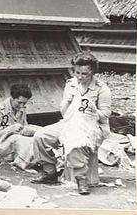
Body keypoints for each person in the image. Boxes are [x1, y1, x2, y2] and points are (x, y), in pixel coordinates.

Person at [31, 52, 111, 195]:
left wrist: (94, 110)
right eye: (77, 72)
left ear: (92, 71)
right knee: (41, 136)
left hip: (93, 125)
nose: (79, 77)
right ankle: (49, 172)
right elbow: (64, 114)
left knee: (77, 139)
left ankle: (81, 178)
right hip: (70, 121)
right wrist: (67, 101)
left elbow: (105, 116)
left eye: (84, 74)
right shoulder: (71, 84)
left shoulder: (101, 88)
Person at [0, 84, 42, 170]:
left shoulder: (22, 108)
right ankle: (23, 163)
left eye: (24, 103)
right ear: (12, 98)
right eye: (19, 102)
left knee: (35, 138)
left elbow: (24, 127)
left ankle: (36, 161)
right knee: (17, 139)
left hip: (13, 145)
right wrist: (9, 129)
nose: (22, 106)